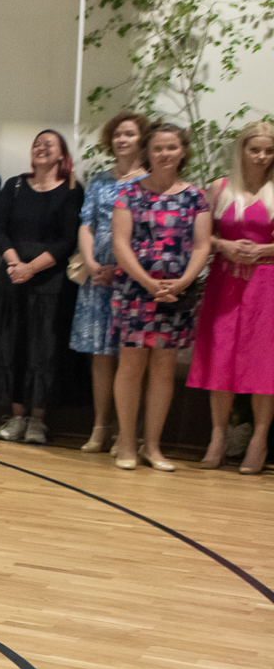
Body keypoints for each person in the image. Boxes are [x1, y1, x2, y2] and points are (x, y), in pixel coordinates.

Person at [111, 122, 213, 472]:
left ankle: (152, 446)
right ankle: (126, 441)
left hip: (176, 294)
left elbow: (201, 246)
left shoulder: (196, 197)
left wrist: (183, 282)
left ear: (183, 152)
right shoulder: (128, 193)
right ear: (147, 153)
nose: (165, 154)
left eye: (171, 147)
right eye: (158, 148)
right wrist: (148, 282)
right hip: (135, 291)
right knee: (131, 366)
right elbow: (120, 243)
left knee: (164, 369)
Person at [0, 130, 82, 444]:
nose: (41, 148)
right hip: (12, 276)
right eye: (37, 144)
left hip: (51, 280)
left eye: (48, 144)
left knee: (45, 350)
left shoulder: (72, 189)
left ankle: (38, 421)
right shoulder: (13, 185)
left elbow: (68, 240)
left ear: (62, 154)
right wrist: (15, 265)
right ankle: (16, 417)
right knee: (11, 345)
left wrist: (31, 268)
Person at [188, 120, 274, 474]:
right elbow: (201, 238)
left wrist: (264, 249)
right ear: (241, 150)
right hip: (225, 283)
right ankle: (218, 437)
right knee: (220, 358)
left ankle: (259, 440)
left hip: (266, 284)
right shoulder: (219, 188)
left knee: (264, 364)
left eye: (268, 151)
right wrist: (225, 245)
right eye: (255, 149)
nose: (261, 157)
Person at [70, 113, 148, 452]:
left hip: (134, 276)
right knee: (101, 355)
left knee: (133, 357)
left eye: (129, 134)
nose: (122, 140)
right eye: (117, 134)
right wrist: (91, 263)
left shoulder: (150, 182)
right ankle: (100, 426)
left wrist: (122, 268)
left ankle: (126, 431)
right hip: (97, 276)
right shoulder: (99, 180)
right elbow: (86, 224)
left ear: (142, 139)